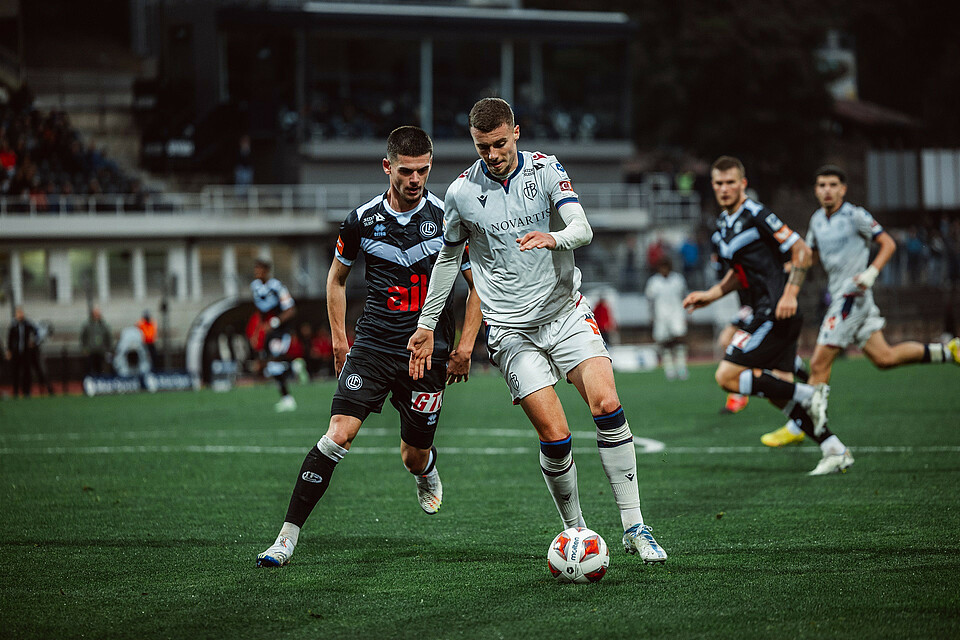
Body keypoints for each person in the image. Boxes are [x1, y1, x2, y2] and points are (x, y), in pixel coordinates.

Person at [407, 98, 667, 564]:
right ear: (474, 143)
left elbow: (582, 228)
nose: (493, 154)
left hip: (564, 312)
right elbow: (449, 258)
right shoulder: (462, 193)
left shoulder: (546, 170)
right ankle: (577, 535)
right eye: (483, 146)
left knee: (607, 404)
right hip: (510, 329)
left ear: (517, 133)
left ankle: (634, 526)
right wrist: (427, 324)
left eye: (501, 143)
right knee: (556, 432)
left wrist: (555, 237)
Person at [257, 126, 482, 568]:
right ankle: (286, 537)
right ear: (387, 167)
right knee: (338, 433)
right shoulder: (361, 220)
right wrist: (341, 340)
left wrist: (465, 345)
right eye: (405, 171)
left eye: (422, 171)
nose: (415, 180)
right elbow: (336, 280)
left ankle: (425, 468)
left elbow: (479, 287)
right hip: (374, 344)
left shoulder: (449, 220)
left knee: (412, 454)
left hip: (428, 352)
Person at [760, 165, 960, 447]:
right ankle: (948, 351)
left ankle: (801, 426)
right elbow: (814, 256)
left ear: (843, 189)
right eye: (821, 185)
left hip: (851, 296)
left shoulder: (855, 215)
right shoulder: (817, 220)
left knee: (818, 362)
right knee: (884, 358)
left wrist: (872, 272)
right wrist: (791, 265)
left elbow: (888, 243)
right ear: (816, 190)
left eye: (832, 184)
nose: (827, 190)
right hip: (846, 297)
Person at [682, 156, 851, 475]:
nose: (724, 188)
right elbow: (737, 274)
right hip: (765, 310)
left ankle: (809, 392)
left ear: (743, 183)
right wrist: (711, 294)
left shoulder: (756, 214)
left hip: (775, 310)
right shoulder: (724, 225)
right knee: (776, 394)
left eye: (731, 182)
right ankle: (834, 448)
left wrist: (789, 293)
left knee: (727, 376)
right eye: (718, 183)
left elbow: (801, 249)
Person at [250, 258, 298, 412]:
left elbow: (290, 309)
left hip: (280, 331)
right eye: (256, 269)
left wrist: (275, 322)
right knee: (271, 365)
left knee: (274, 361)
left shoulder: (277, 287)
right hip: (267, 332)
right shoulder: (256, 287)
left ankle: (288, 394)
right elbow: (260, 312)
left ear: (267, 271)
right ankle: (286, 396)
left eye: (260, 269)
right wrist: (257, 331)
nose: (257, 273)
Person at [645, 257, 689, 380]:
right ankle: (669, 369)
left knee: (679, 340)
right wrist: (651, 316)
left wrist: (688, 314)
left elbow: (684, 296)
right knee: (664, 342)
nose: (664, 270)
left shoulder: (678, 280)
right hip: (661, 316)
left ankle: (681, 367)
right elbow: (650, 301)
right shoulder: (654, 282)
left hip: (677, 314)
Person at [6, 306, 38, 397]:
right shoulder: (13, 326)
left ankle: (26, 391)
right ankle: (16, 391)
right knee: (15, 372)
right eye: (18, 313)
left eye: (21, 313)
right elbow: (9, 339)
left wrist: (33, 341)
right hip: (16, 352)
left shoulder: (28, 324)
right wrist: (9, 351)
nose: (20, 315)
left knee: (26, 372)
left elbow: (36, 333)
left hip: (26, 353)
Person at [80, 306, 113, 376]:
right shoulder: (87, 325)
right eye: (95, 314)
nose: (97, 316)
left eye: (98, 314)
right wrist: (84, 349)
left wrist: (108, 349)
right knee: (89, 368)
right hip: (90, 351)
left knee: (101, 368)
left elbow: (108, 338)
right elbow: (83, 337)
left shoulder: (104, 325)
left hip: (101, 351)